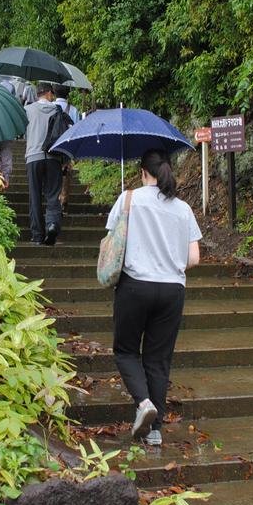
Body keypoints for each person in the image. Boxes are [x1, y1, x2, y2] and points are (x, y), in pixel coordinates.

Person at [105, 149, 201, 447]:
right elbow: (194, 258)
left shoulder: (130, 199)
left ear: (143, 173)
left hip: (136, 286)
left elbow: (112, 240)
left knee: (126, 350)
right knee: (159, 360)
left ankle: (144, 403)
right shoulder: (183, 209)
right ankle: (155, 431)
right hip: (172, 290)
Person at [24, 82, 64, 245]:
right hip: (53, 157)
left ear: (37, 94)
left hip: (33, 156)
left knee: (35, 196)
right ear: (48, 93)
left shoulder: (27, 110)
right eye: (52, 93)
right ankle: (52, 224)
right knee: (53, 195)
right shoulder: (57, 110)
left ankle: (37, 235)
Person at [54, 84, 80, 211]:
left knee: (53, 173)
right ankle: (63, 199)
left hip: (52, 147)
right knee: (66, 174)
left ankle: (54, 198)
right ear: (68, 94)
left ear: (53, 93)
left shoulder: (50, 107)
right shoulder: (73, 110)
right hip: (68, 148)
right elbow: (78, 130)